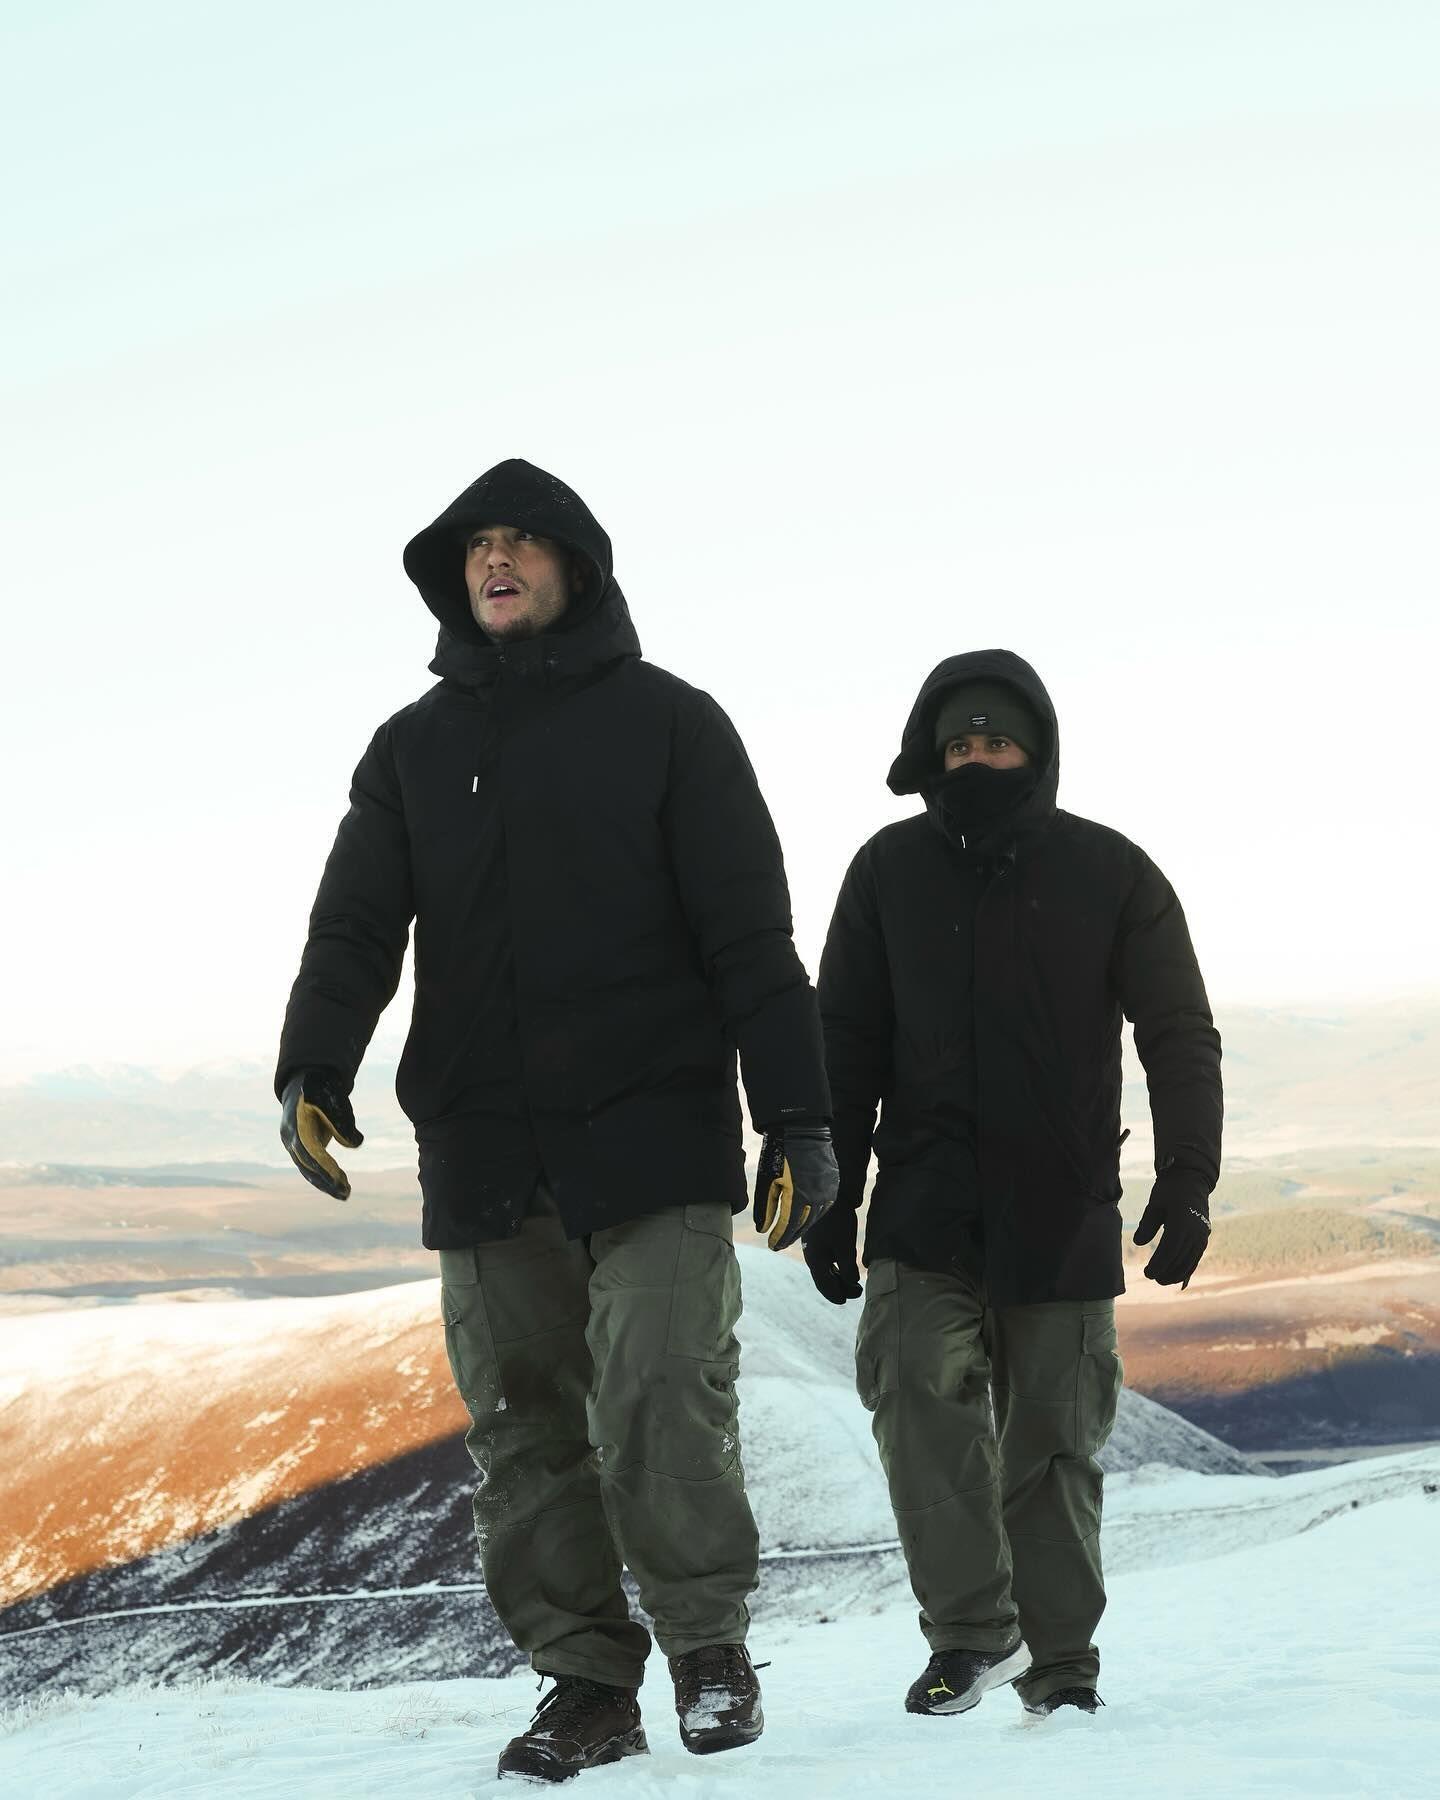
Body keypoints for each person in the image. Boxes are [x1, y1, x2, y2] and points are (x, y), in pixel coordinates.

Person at [274, 459, 838, 1783]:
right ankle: (585, 1684)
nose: (496, 560)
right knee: (525, 1421)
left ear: (575, 565)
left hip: (652, 1139)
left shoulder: (673, 728)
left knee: (656, 1391)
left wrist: (799, 1119)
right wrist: (315, 1066)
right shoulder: (411, 750)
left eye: (524, 541)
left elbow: (752, 940)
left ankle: (708, 1650)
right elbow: (357, 925)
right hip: (482, 1145)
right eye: (477, 546)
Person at [805, 648, 1221, 1721]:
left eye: (998, 741)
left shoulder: (1109, 871)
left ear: (1036, 751)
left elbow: (1177, 1032)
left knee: (1054, 1445)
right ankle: (970, 1634)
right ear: (930, 756)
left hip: (1062, 1206)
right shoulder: (885, 874)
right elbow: (843, 1046)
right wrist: (830, 1196)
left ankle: (1063, 1663)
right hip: (924, 1205)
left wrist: (1190, 1179)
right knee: (909, 1391)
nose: (978, 758)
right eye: (958, 745)